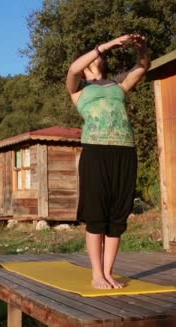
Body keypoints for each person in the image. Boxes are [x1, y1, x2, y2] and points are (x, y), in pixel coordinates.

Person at [66, 34, 150, 289]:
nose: (95, 60)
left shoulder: (118, 84)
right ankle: (96, 274)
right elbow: (73, 69)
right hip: (95, 151)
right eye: (93, 56)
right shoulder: (78, 89)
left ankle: (109, 273)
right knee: (96, 215)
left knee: (117, 216)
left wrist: (142, 48)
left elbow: (143, 66)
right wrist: (107, 45)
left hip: (124, 151)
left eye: (98, 58)